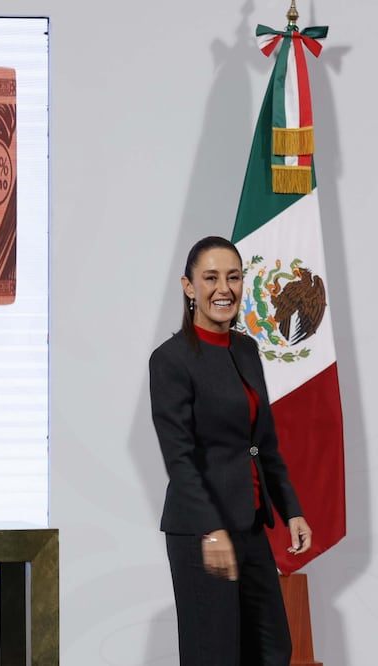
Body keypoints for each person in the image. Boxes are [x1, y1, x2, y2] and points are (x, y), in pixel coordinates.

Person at [149, 235, 312, 666]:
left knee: (272, 650)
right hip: (203, 533)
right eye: (211, 278)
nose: (225, 288)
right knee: (215, 656)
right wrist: (211, 529)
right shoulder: (170, 360)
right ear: (189, 287)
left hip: (251, 525)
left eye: (234, 277)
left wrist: (291, 509)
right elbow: (178, 458)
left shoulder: (246, 348)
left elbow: (263, 442)